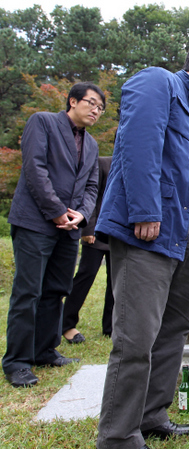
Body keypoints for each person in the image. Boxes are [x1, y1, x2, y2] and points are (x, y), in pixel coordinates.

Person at [95, 35, 189, 449]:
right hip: (150, 227)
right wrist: (144, 209)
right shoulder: (158, 82)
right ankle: (117, 435)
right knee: (136, 336)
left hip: (184, 233)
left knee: (173, 330)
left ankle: (151, 416)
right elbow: (136, 144)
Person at [2, 82, 103, 388]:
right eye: (92, 103)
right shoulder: (43, 122)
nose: (96, 111)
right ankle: (17, 361)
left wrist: (82, 215)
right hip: (36, 222)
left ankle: (45, 349)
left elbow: (91, 187)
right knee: (28, 290)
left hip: (70, 228)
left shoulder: (93, 145)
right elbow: (35, 169)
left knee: (57, 289)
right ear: (72, 101)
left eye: (101, 107)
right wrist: (57, 210)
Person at [62, 156, 114, 343]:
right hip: (96, 231)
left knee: (115, 281)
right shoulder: (103, 163)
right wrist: (88, 227)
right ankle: (66, 323)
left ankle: (110, 327)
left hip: (118, 234)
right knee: (86, 274)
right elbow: (91, 195)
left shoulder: (136, 166)